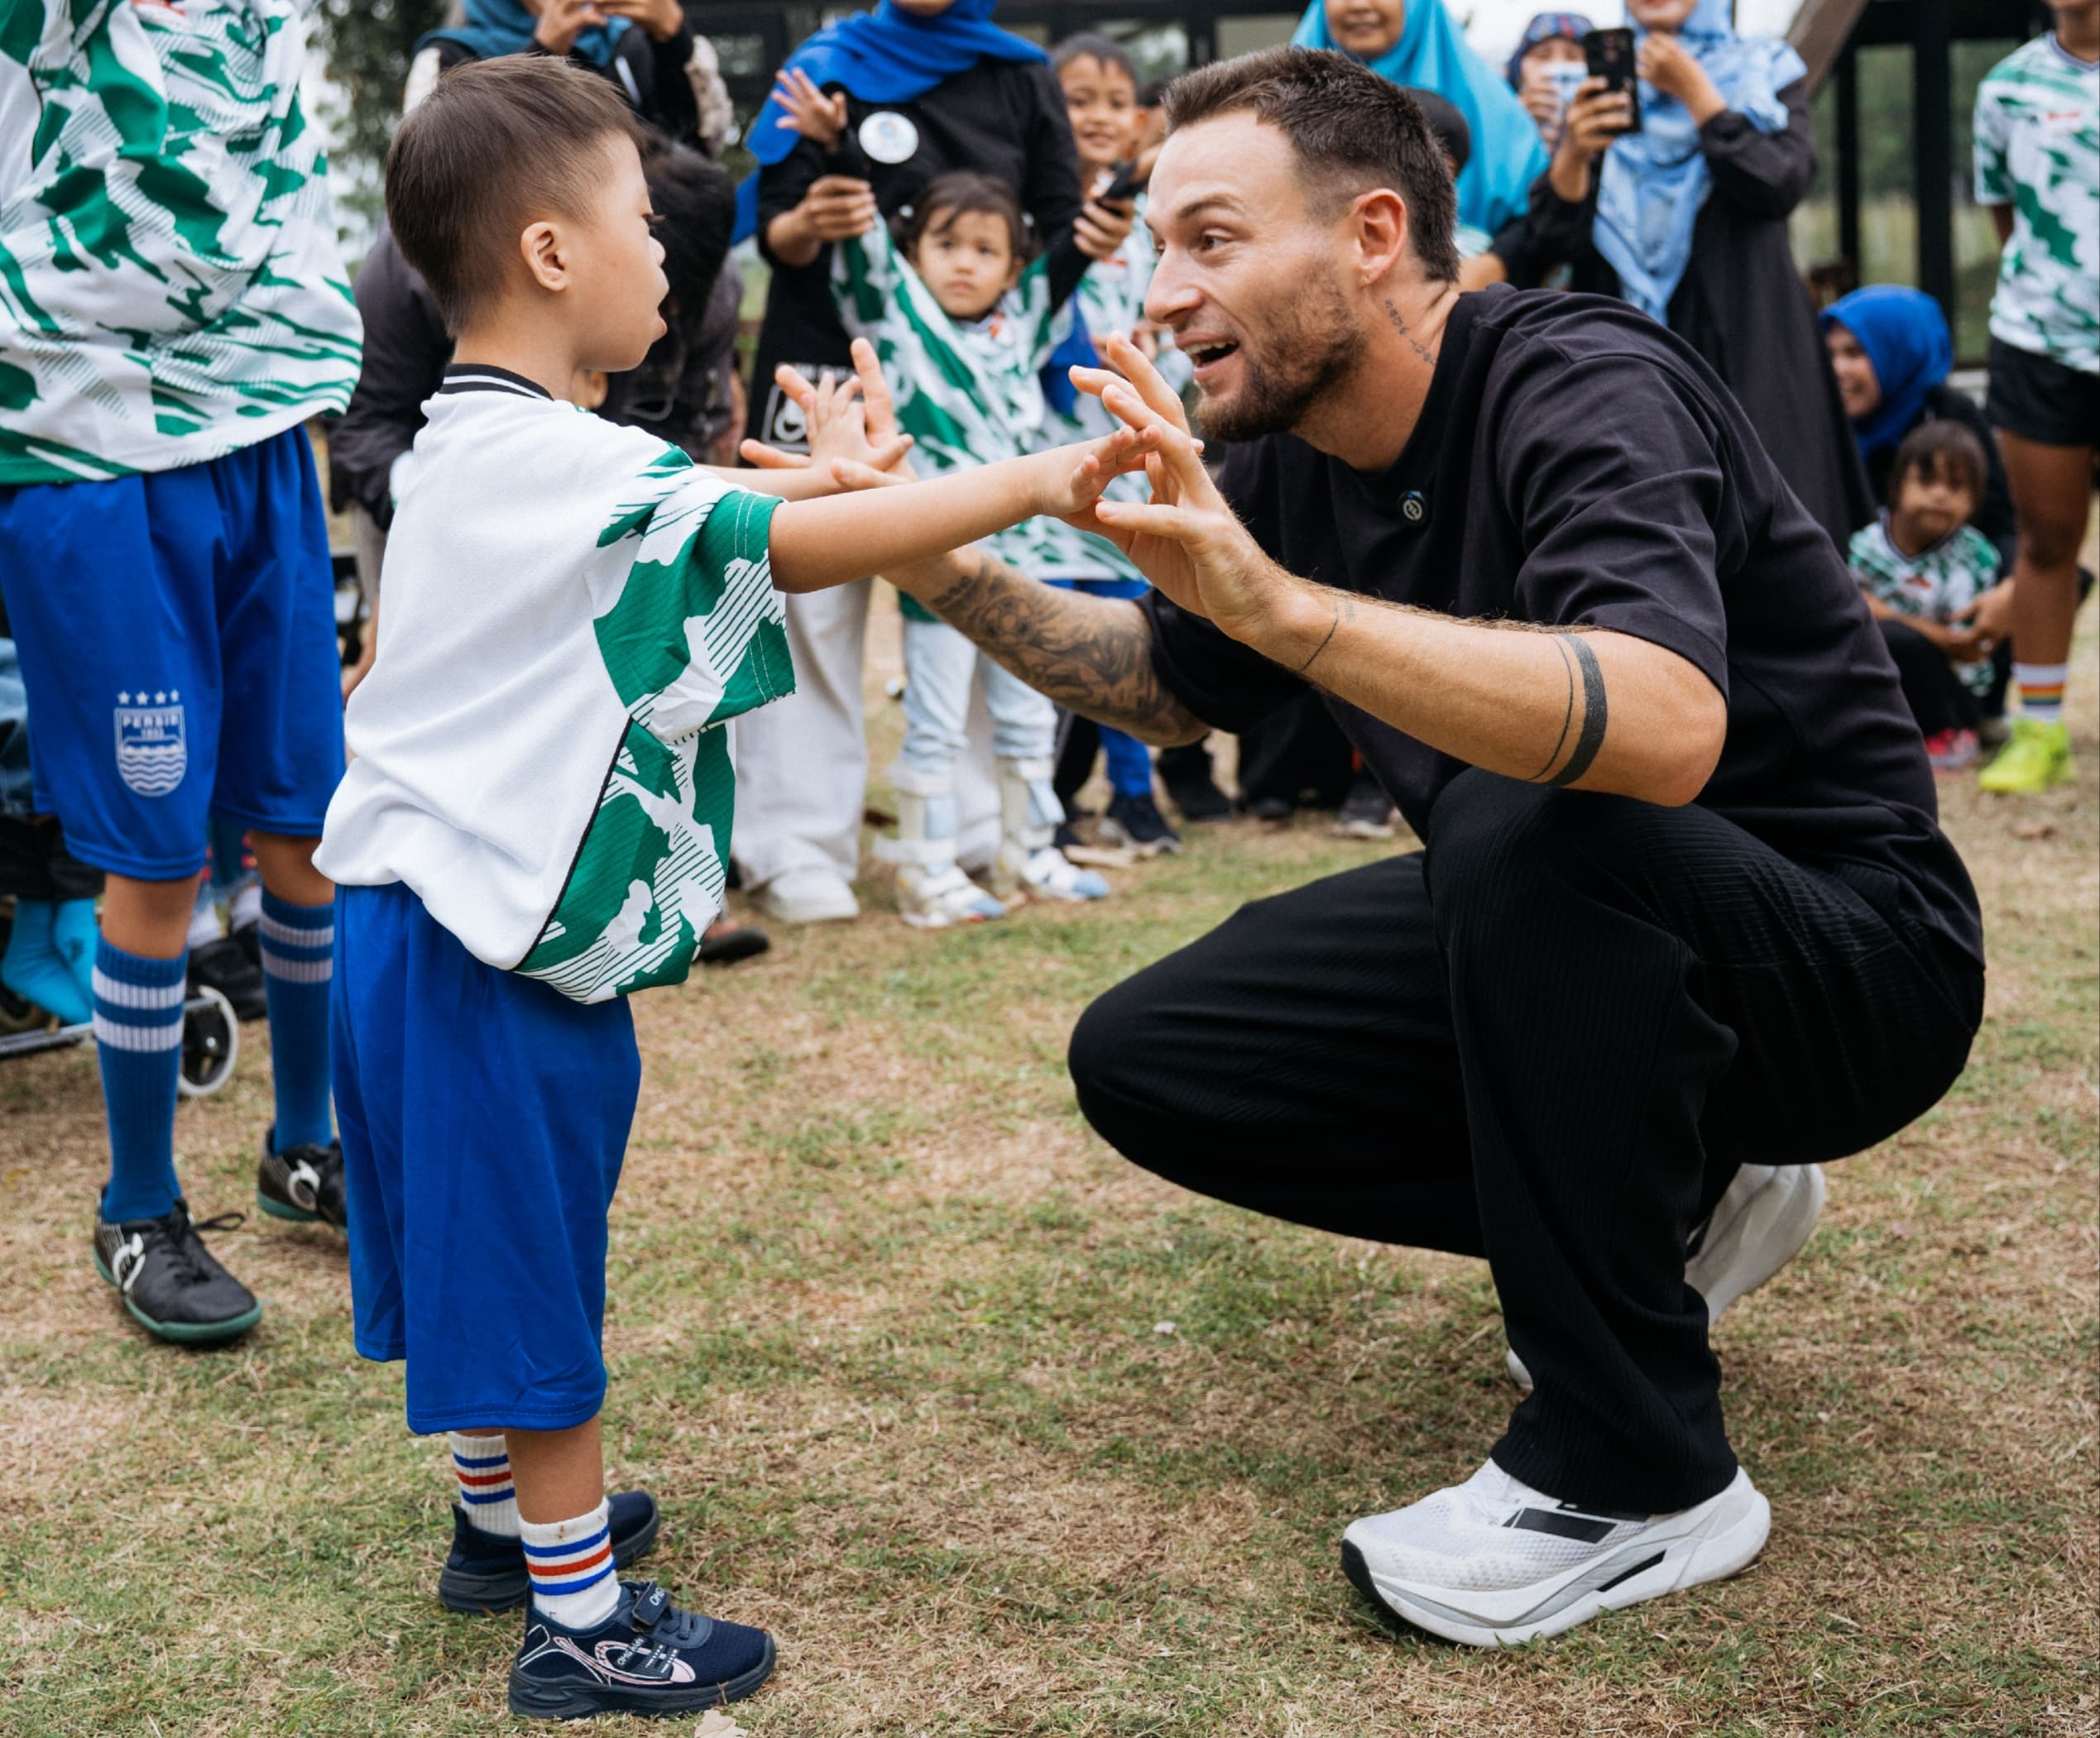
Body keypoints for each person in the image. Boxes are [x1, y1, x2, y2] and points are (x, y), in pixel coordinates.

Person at [859, 47, 1983, 1645]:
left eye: (1212, 241)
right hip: (1588, 919)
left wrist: (1292, 611)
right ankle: (1669, 1196)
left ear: (1373, 234)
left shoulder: (1581, 379)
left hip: (1851, 965)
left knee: (1528, 811)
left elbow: (1660, 727)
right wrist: (920, 543)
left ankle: (1638, 1471)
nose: (1162, 291)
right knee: (1157, 1051)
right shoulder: (1286, 457)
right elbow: (1169, 696)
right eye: (1156, 242)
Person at [317, 55, 1157, 1718]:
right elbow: (746, 539)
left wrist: (827, 479)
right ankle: (577, 1617)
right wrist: (1048, 481)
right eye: (641, 217)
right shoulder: (542, 462)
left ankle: (500, 1526)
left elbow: (702, 504)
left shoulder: (493, 441)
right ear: (554, 254)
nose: (668, 253)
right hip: (478, 950)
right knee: (532, 1265)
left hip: (424, 930)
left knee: (502, 1242)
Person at [0, 0, 362, 1343]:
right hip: (91, 448)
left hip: (262, 431)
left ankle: (305, 1148)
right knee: (153, 859)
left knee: (308, 828)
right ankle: (138, 1203)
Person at [733, 0, 1131, 926]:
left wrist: (1094, 235)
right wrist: (805, 227)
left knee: (980, 594)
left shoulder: (1020, 73)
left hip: (972, 390)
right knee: (809, 606)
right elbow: (775, 228)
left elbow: (1063, 217)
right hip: (829, 367)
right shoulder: (828, 61)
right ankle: (798, 847)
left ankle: (981, 836)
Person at [1525, 0, 1872, 549]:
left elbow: (1779, 183)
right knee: (1642, 541)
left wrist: (1699, 95)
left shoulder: (1764, 70)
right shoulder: (1588, 84)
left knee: (1775, 543)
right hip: (1628, 354)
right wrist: (1572, 152)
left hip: (1752, 346)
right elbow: (1545, 243)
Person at [1045, 33, 1187, 857]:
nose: (1098, 118)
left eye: (1113, 102)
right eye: (1077, 99)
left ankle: (1138, 796)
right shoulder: (1041, 214)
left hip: (1132, 453)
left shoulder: (1148, 222)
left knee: (1136, 625)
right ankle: (1053, 800)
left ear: (1138, 120)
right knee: (1062, 626)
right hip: (1051, 453)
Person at [1969, 0, 2098, 797]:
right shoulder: (2004, 89)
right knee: (2048, 541)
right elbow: (2004, 216)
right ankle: (2040, 731)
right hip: (2039, 345)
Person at [1291, 0, 1546, 240]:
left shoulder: (1488, 106)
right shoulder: (1284, 100)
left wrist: (1495, 261)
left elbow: (1538, 214)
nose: (1359, 5)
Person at [1821, 286, 2018, 568]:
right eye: (1829, 355)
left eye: (1855, 353)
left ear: (1900, 351)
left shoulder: (1948, 417)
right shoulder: (1823, 424)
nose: (1838, 369)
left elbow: (2000, 524)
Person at [1848, 422, 2005, 770]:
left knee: (1898, 638)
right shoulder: (1865, 547)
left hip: (1953, 690)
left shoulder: (1975, 557)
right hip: (1880, 684)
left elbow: (1967, 644)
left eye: (1956, 486)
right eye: (1927, 480)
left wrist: (1891, 616)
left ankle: (1949, 735)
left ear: (1975, 499)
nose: (1939, 495)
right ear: (1898, 482)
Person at [403, 0, 736, 155]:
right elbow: (440, 183)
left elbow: (698, 148)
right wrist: (541, 53)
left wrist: (673, 37)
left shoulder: (625, 40)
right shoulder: (451, 57)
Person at [1507, 12, 1594, 149]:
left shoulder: (1617, 142)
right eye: (1543, 55)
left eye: (1573, 56)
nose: (1558, 64)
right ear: (1519, 67)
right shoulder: (1496, 122)